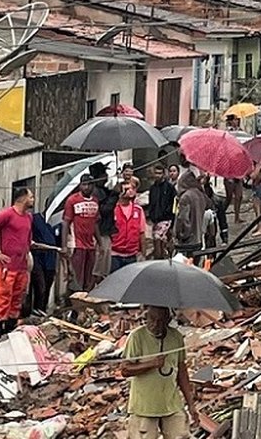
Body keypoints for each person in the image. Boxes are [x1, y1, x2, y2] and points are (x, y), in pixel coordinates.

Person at [122, 306, 197, 439]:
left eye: (160, 320)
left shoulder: (176, 337)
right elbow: (125, 369)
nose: (155, 324)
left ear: (167, 320)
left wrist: (190, 404)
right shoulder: (137, 337)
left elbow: (182, 372)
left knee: (181, 435)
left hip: (171, 404)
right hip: (144, 407)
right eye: (152, 319)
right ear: (145, 318)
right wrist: (151, 364)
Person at [0, 187, 35, 335]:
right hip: (8, 267)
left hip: (22, 267)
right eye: (30, 197)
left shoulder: (29, 217)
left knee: (17, 299)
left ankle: (10, 329)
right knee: (4, 299)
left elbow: (28, 238)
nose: (32, 199)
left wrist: (27, 249)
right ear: (22, 198)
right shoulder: (7, 214)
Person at [62, 174, 99, 291]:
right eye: (84, 184)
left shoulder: (95, 201)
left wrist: (100, 242)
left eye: (90, 184)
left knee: (89, 278)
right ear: (80, 185)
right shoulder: (72, 200)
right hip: (77, 244)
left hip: (91, 245)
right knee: (76, 278)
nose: (87, 187)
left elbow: (96, 223)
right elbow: (66, 223)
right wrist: (64, 246)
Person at [90, 162, 117, 283]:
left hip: (105, 231)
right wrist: (115, 194)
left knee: (104, 267)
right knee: (99, 267)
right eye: (104, 174)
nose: (106, 176)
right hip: (100, 233)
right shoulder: (95, 192)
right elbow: (104, 210)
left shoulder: (103, 190)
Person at [111, 181, 147, 272]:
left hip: (132, 254)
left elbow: (141, 232)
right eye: (126, 189)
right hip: (115, 254)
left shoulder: (138, 210)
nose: (130, 191)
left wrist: (143, 253)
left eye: (132, 188)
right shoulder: (113, 209)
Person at [174, 170, 209, 258]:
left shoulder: (185, 197)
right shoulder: (200, 194)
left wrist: (181, 234)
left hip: (188, 240)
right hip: (198, 237)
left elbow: (183, 218)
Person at [29, 212, 58, 314]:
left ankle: (42, 311)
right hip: (38, 256)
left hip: (51, 258)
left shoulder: (58, 223)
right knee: (40, 286)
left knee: (47, 285)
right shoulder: (35, 218)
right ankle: (35, 310)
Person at [147, 165, 177, 259]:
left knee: (161, 242)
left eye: (160, 173)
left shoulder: (169, 187)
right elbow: (151, 202)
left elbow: (173, 204)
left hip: (166, 220)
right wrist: (152, 215)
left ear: (164, 174)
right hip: (155, 220)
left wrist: (170, 217)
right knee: (157, 242)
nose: (158, 175)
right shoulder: (152, 188)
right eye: (156, 173)